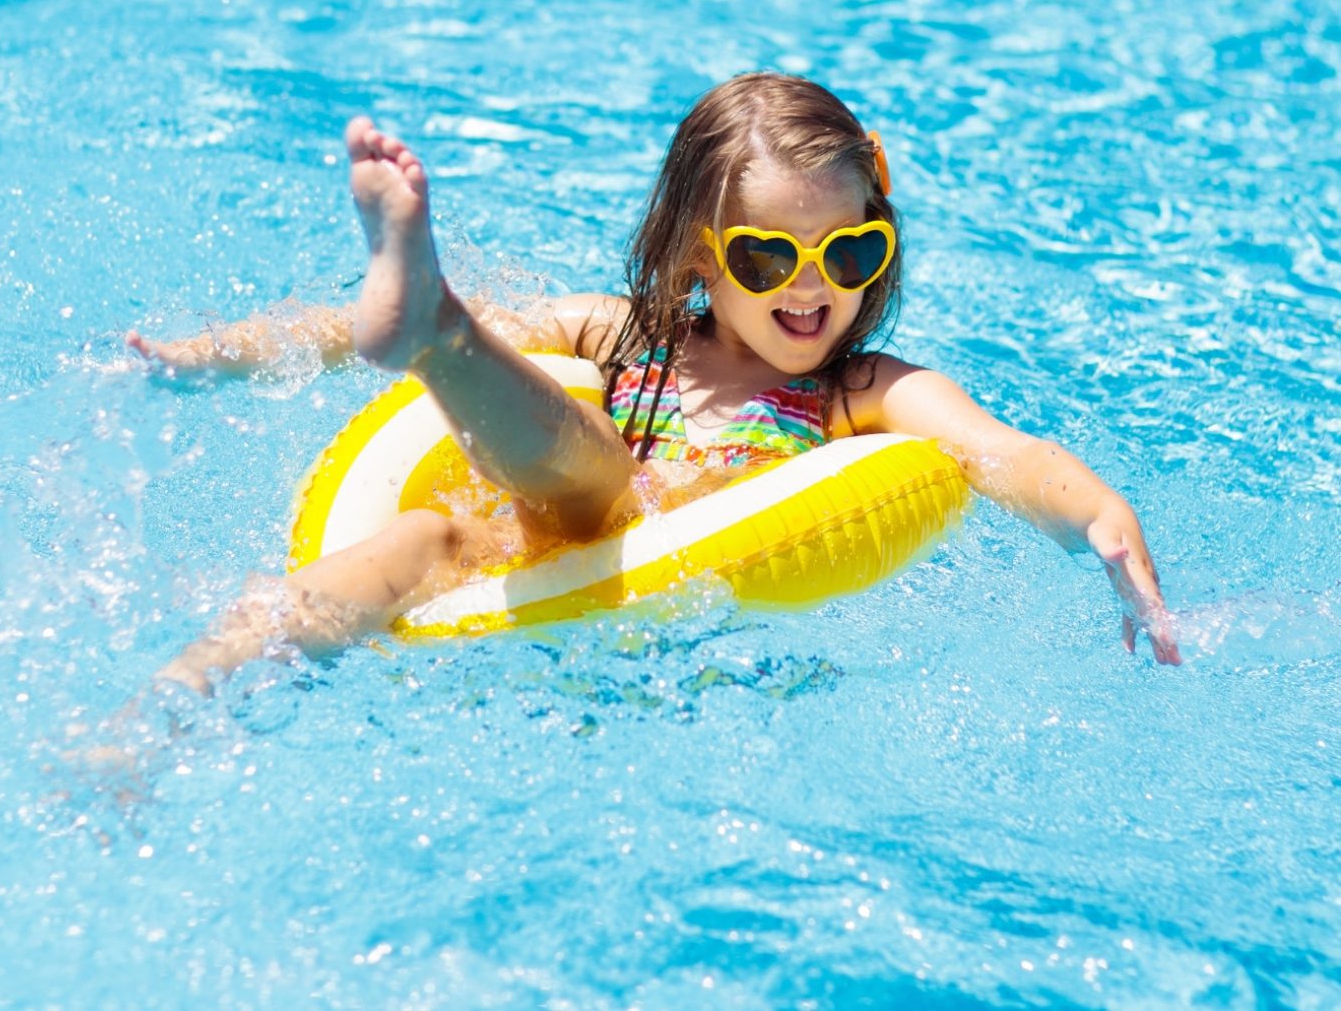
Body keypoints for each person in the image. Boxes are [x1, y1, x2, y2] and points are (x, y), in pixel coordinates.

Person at [129, 73, 1180, 692]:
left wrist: (1097, 514)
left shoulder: (863, 390)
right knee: (427, 538)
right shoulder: (618, 333)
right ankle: (195, 681)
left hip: (650, 566)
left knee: (596, 480)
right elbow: (327, 335)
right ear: (695, 255)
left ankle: (438, 330)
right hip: (535, 542)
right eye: (772, 258)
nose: (815, 289)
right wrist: (214, 352)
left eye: (849, 254)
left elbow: (998, 452)